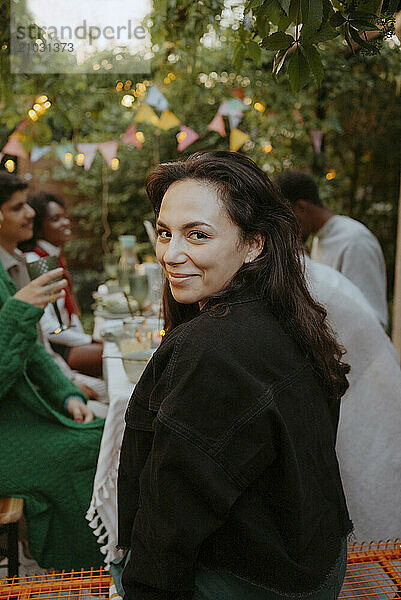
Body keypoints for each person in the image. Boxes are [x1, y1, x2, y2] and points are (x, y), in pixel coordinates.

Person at [117, 151, 353, 600]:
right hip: (316, 563)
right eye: (165, 233)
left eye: (198, 235)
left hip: (263, 583)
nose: (171, 254)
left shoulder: (212, 350)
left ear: (254, 244)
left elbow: (169, 518)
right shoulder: (286, 313)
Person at [0, 186, 104, 570]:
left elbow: (31, 348)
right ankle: (87, 569)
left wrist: (66, 394)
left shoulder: (7, 265)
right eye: (18, 207)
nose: (30, 213)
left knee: (106, 430)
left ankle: (106, 562)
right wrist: (15, 313)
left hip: (25, 414)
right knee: (92, 446)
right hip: (9, 429)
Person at [304, 257, 401, 541]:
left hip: (367, 402)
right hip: (351, 397)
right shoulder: (311, 275)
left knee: (370, 508)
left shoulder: (307, 283)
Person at [274, 170, 388, 328]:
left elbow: (372, 318)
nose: (289, 229)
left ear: (302, 207)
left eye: (289, 219)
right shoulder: (319, 241)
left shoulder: (355, 240)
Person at [20, 191, 103, 380]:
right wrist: (88, 340)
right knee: (113, 356)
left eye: (64, 216)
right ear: (39, 228)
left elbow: (67, 315)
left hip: (67, 341)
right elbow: (51, 329)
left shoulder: (53, 257)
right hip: (59, 348)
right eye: (56, 219)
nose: (65, 222)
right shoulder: (35, 262)